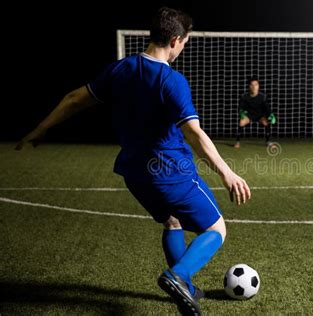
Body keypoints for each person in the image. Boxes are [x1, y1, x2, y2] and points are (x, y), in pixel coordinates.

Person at [16, 7, 251, 316]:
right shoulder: (172, 80)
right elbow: (194, 134)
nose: (183, 48)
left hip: (135, 174)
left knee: (173, 220)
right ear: (176, 39)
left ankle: (187, 289)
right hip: (171, 173)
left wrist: (40, 128)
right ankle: (178, 276)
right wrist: (226, 173)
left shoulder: (120, 69)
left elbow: (74, 99)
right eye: (185, 43)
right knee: (217, 228)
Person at [234, 77, 276, 148]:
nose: (254, 87)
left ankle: (268, 141)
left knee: (266, 122)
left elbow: (267, 108)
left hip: (259, 116)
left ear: (258, 86)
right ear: (249, 86)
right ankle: (237, 142)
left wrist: (271, 115)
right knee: (241, 122)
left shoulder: (263, 97)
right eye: (252, 85)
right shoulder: (244, 96)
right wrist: (241, 112)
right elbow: (240, 107)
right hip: (249, 115)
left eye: (256, 85)